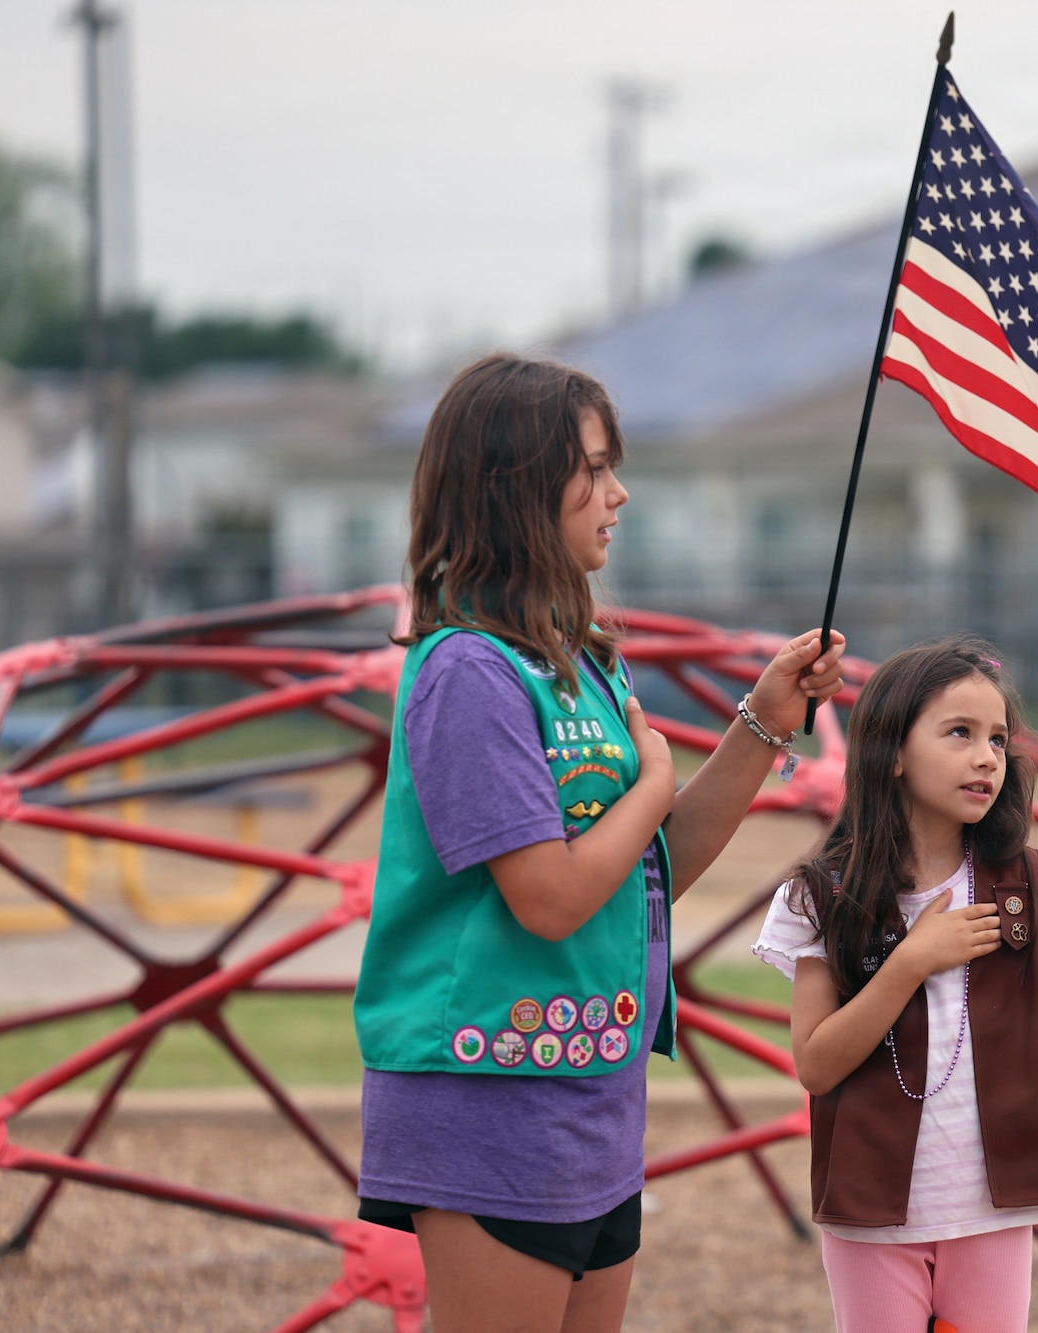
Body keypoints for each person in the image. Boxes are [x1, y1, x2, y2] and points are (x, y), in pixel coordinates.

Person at [351, 352, 846, 1333]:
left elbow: (649, 869)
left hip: (591, 1092)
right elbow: (549, 896)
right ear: (517, 485)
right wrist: (653, 781)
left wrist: (763, 719)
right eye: (593, 468)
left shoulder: (583, 666)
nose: (618, 494)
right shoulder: (467, 672)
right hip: (483, 1090)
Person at [752, 636, 1038, 1333]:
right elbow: (816, 1062)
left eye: (997, 738)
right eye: (959, 732)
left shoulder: (1027, 880)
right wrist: (910, 961)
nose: (987, 755)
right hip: (870, 1209)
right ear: (891, 751)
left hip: (995, 1206)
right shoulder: (821, 894)